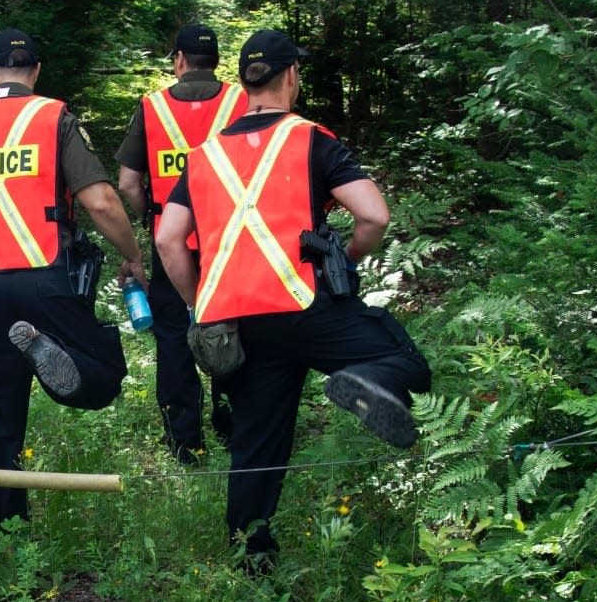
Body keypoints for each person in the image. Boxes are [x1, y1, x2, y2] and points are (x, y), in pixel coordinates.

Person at [156, 29, 431, 568]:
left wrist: (198, 303)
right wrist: (347, 259)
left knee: (256, 442)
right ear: (291, 78)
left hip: (238, 322)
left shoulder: (204, 154)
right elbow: (373, 214)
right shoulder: (311, 139)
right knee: (404, 361)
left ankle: (250, 555)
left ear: (244, 83)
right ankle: (366, 381)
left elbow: (168, 238)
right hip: (308, 307)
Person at [0, 27, 146, 525]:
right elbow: (102, 201)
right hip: (48, 280)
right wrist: (132, 255)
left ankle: (5, 523)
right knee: (103, 372)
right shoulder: (53, 117)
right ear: (36, 72)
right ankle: (59, 362)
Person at [115, 23, 246, 463]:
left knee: (173, 335)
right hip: (229, 239)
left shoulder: (152, 108)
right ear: (215, 61)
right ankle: (232, 426)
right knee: (232, 327)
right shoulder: (240, 101)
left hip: (169, 240)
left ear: (178, 61)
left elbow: (129, 182)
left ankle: (183, 441)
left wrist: (152, 217)